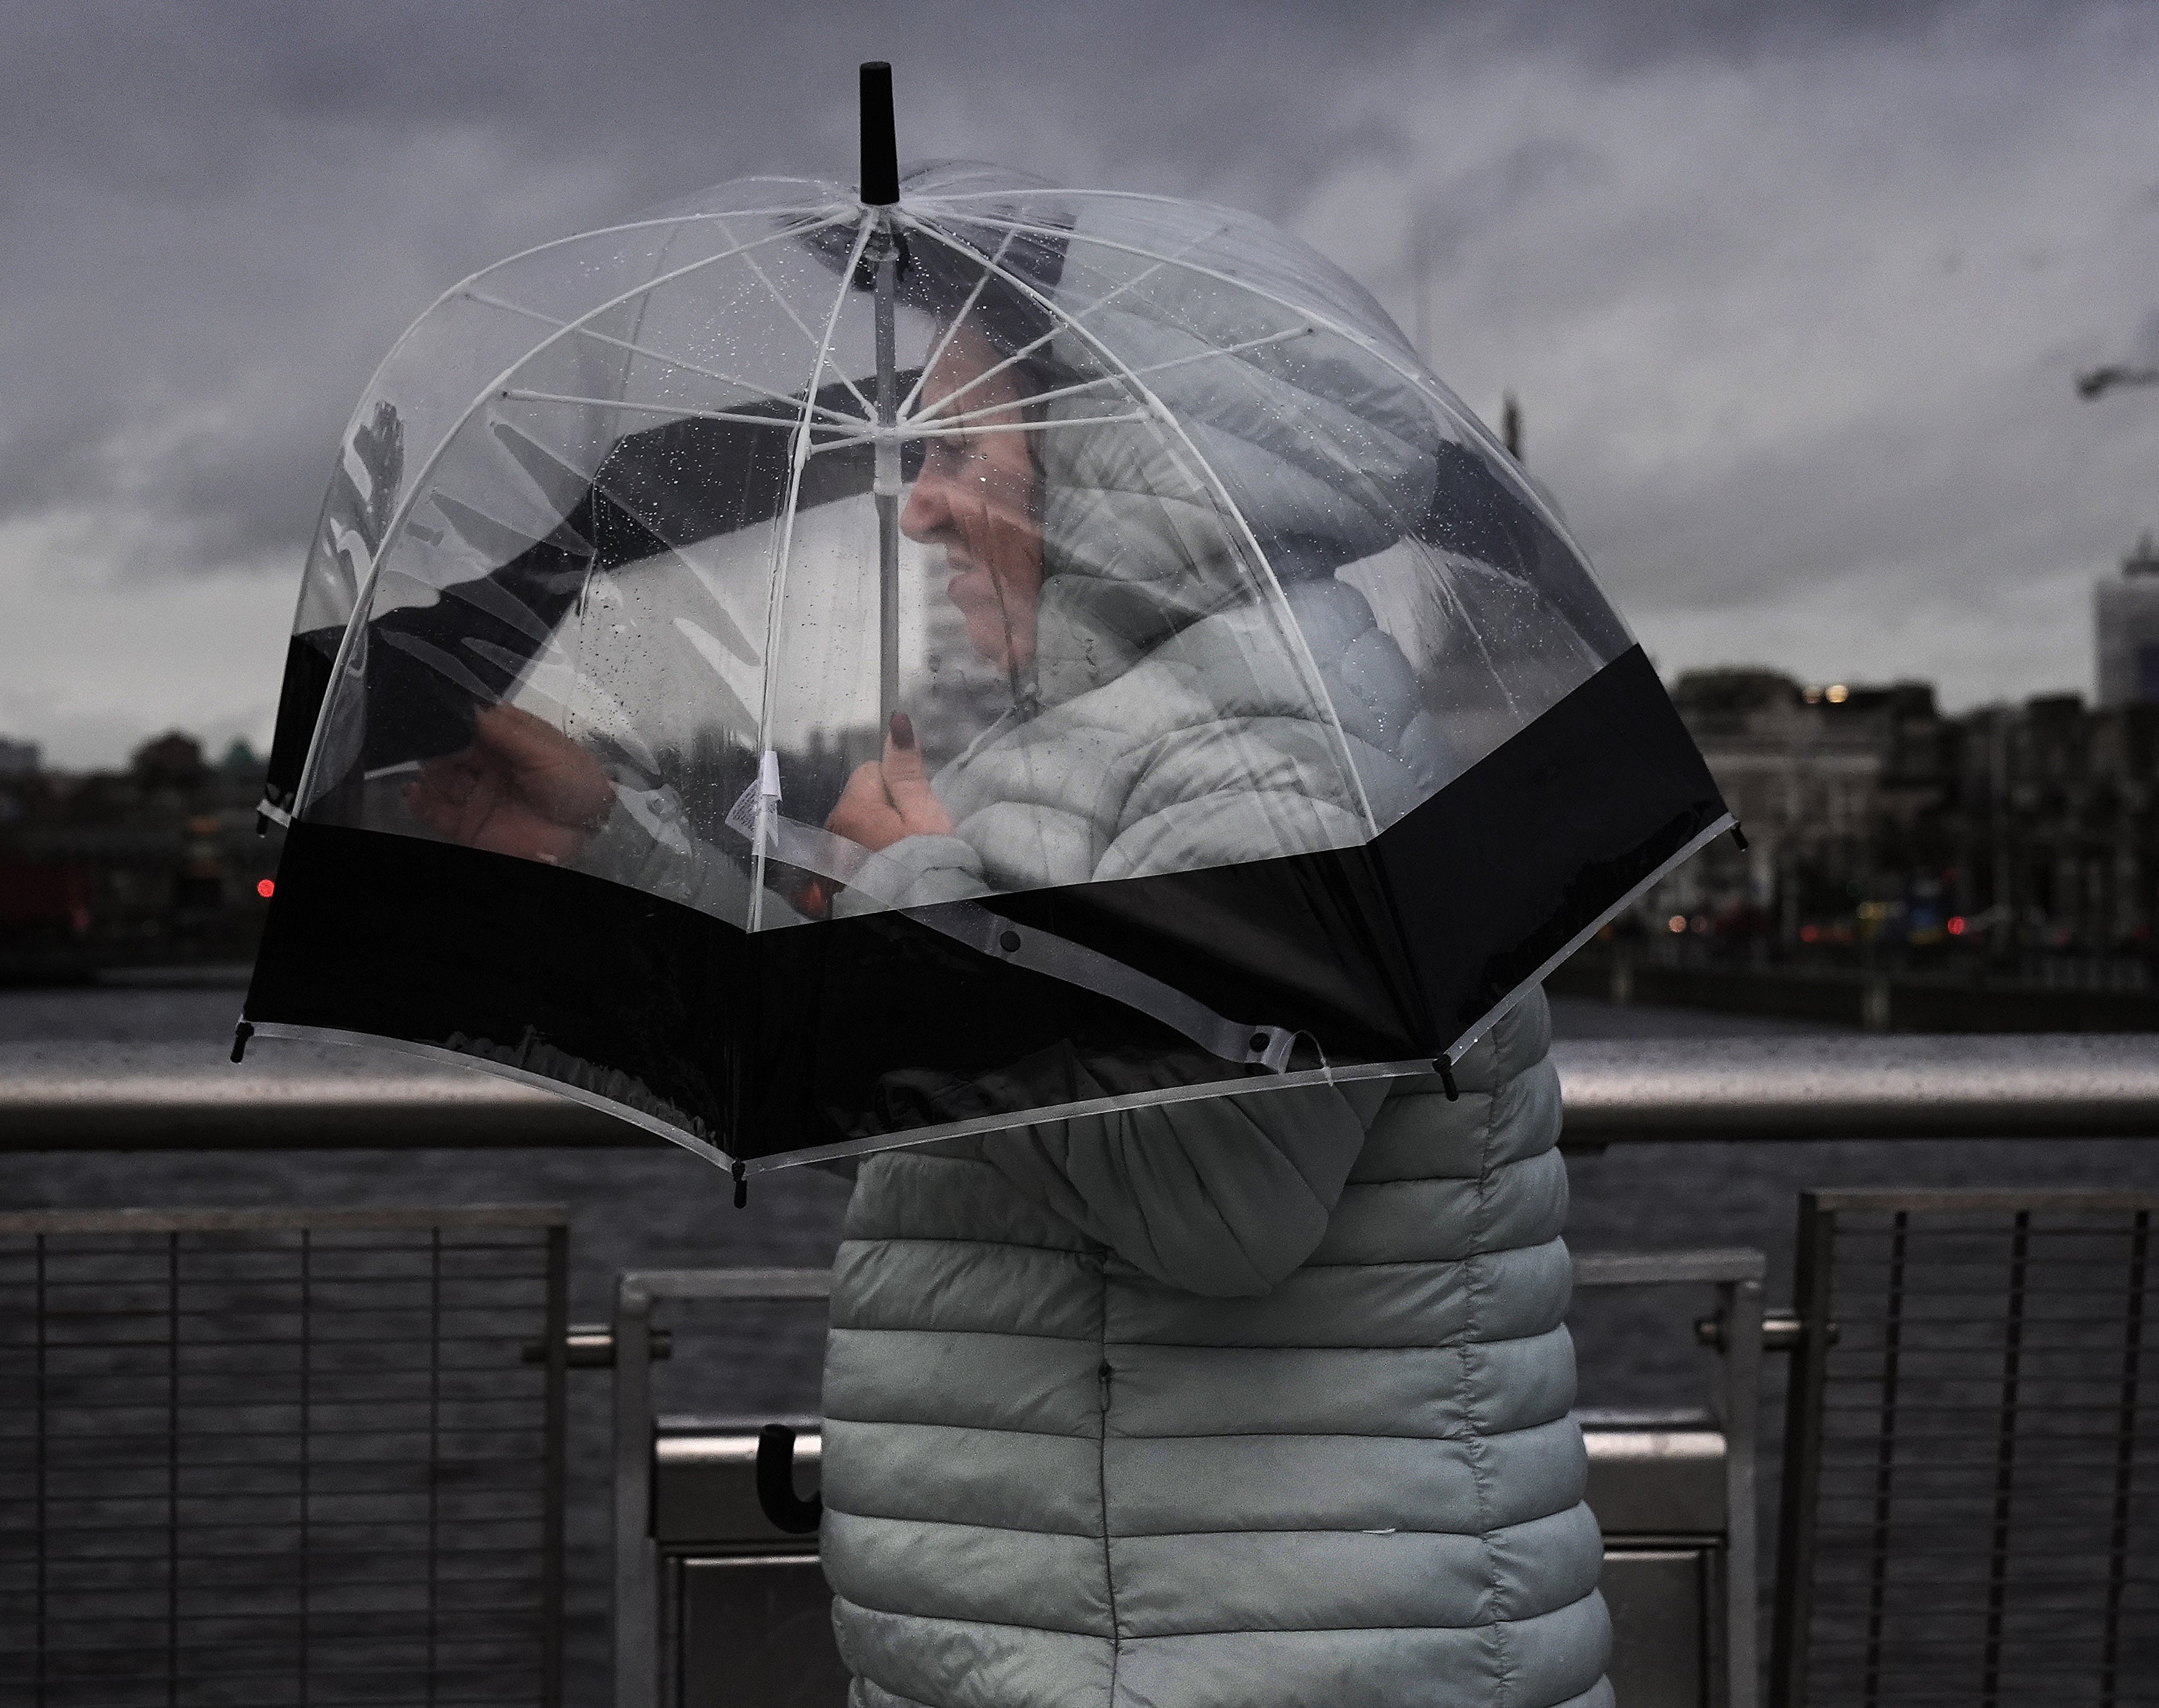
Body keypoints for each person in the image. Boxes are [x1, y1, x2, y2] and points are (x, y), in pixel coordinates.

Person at [411, 296, 1613, 1707]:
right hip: (1142, 1622)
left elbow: (1217, 1198)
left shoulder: (1272, 746)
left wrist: (906, 890)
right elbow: (963, 1087)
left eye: (962, 453)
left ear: (1117, 470)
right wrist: (608, 849)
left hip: (1227, 1645)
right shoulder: (1096, 727)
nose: (917, 508)